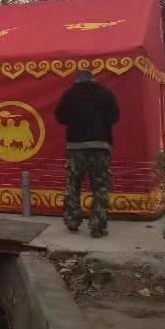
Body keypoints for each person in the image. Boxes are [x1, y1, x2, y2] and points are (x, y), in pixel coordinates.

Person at [54, 70, 120, 238]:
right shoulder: (105, 93)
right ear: (93, 79)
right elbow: (114, 117)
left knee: (73, 184)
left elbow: (60, 117)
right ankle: (98, 226)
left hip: (76, 147)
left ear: (77, 80)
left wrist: (75, 121)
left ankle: (72, 221)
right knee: (100, 186)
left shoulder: (69, 94)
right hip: (100, 146)